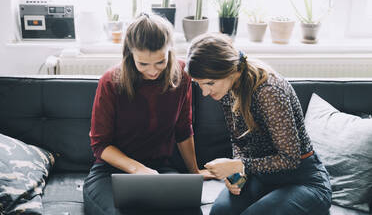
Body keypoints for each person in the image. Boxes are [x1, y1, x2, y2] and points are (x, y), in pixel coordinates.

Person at [185, 33, 332, 215]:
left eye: (209, 83)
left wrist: (240, 165)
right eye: (199, 84)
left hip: (303, 181)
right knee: (219, 212)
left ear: (230, 70)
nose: (205, 92)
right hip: (263, 177)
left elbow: (290, 158)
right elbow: (238, 141)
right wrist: (238, 176)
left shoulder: (268, 91)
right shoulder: (228, 89)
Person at [83, 14, 213, 215]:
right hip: (110, 173)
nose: (153, 71)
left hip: (160, 168)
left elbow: (183, 129)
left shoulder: (181, 75)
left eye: (160, 62)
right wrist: (138, 170)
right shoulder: (110, 82)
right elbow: (100, 145)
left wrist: (194, 172)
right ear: (130, 54)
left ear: (169, 51)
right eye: (143, 64)